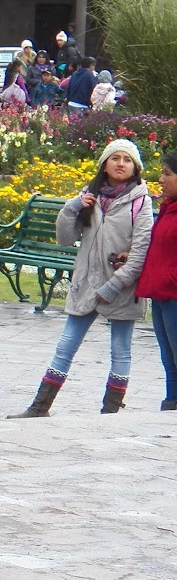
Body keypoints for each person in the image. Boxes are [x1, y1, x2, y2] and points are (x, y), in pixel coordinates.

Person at [13, 139, 153, 418]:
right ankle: (40, 407)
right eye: (115, 158)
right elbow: (65, 239)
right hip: (87, 285)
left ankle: (110, 412)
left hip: (122, 288)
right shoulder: (90, 196)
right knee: (65, 346)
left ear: (135, 167)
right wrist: (72, 207)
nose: (121, 164)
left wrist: (113, 286)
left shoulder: (141, 202)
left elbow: (140, 253)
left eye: (127, 159)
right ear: (104, 164)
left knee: (120, 350)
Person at [138, 152, 177, 411]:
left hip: (173, 295)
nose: (161, 179)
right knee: (168, 358)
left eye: (167, 174)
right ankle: (171, 404)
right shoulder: (168, 209)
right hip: (160, 295)